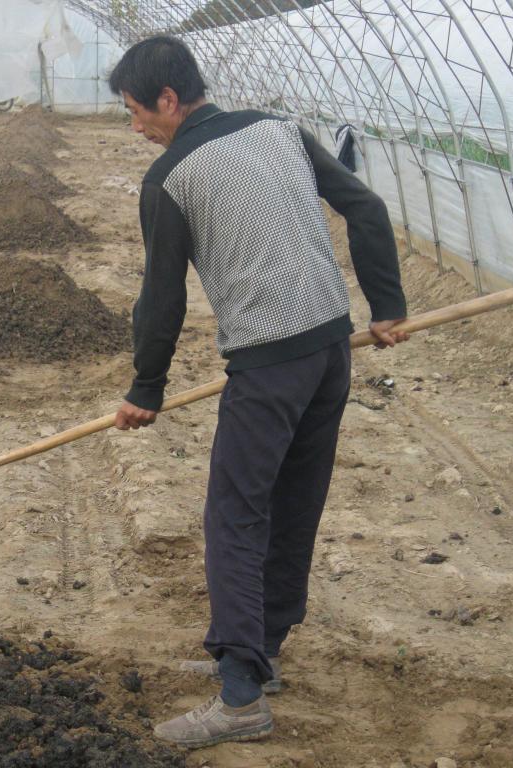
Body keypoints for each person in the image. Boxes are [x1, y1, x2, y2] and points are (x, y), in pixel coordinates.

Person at [107, 36, 409, 748]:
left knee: (235, 516)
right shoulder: (281, 130)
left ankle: (240, 695)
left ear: (169, 100)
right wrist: (386, 307)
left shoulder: (170, 178)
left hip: (269, 366)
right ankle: (261, 652)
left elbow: (160, 300)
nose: (136, 126)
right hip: (329, 352)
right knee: (294, 503)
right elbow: (365, 208)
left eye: (136, 111)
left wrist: (146, 388)